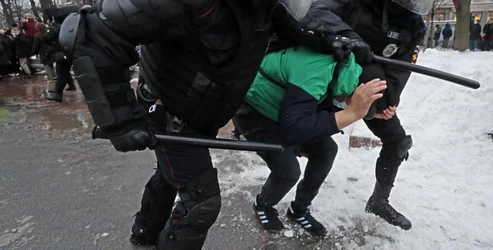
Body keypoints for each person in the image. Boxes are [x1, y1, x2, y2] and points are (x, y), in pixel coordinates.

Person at [58, 1, 373, 249]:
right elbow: (91, 30)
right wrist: (119, 120)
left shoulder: (266, 6)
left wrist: (341, 39)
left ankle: (144, 232)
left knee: (171, 176)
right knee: (201, 203)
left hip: (203, 107)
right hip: (168, 107)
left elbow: (307, 22)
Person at [232, 44, 386, 237]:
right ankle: (263, 204)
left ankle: (299, 209)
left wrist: (378, 110)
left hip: (285, 109)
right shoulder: (317, 70)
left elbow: (323, 106)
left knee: (327, 150)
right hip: (256, 110)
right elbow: (294, 131)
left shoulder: (344, 72)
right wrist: (352, 112)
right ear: (356, 89)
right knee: (287, 171)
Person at [302, 0, 428, 230]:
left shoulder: (414, 26)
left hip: (371, 86)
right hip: (329, 79)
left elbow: (400, 69)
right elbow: (313, 12)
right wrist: (350, 38)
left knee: (398, 141)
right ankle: (299, 206)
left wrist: (389, 103)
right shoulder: (358, 3)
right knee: (309, 140)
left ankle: (379, 201)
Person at [43, 14, 76, 102]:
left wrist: (51, 28)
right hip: (69, 52)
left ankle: (58, 94)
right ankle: (66, 87)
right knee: (64, 72)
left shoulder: (57, 27)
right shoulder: (71, 25)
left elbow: (46, 38)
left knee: (61, 73)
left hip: (62, 52)